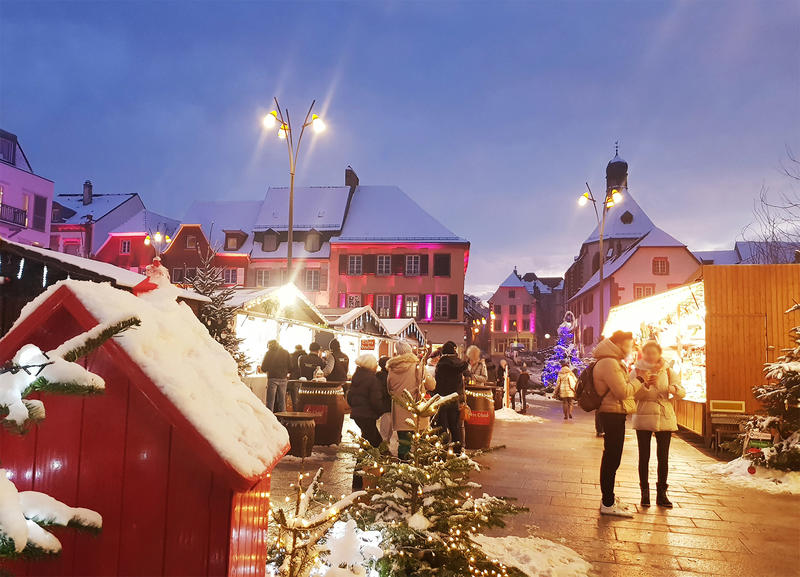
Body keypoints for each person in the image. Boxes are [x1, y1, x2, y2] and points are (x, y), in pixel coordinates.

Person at [593, 330, 644, 517]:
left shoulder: (612, 361)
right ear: (621, 344)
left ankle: (609, 498)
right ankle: (607, 502)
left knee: (613, 458)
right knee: (611, 458)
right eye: (629, 344)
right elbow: (622, 392)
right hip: (612, 412)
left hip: (615, 411)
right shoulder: (609, 362)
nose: (631, 348)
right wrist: (639, 380)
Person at [632, 341, 686, 508]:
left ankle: (662, 494)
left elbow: (682, 391)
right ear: (644, 354)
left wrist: (671, 389)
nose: (650, 356)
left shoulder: (669, 370)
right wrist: (646, 385)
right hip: (643, 414)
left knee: (663, 457)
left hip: (664, 415)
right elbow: (632, 393)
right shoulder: (637, 371)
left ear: (659, 354)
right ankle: (644, 493)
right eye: (647, 353)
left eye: (653, 353)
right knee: (644, 457)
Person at [387, 342, 428, 460]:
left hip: (399, 410)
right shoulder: (417, 366)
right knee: (420, 443)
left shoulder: (391, 368)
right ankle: (418, 468)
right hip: (415, 409)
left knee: (403, 443)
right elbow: (431, 384)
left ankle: (403, 468)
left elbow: (389, 389)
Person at [434, 341, 469, 454]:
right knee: (455, 426)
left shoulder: (441, 364)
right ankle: (458, 451)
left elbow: (438, 383)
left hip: (443, 398)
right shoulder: (459, 364)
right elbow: (461, 384)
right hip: (455, 398)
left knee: (443, 426)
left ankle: (443, 452)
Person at [347, 354, 384, 448]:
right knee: (373, 441)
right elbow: (375, 399)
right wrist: (380, 410)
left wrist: (354, 407)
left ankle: (365, 459)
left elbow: (350, 396)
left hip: (358, 413)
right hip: (368, 414)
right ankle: (365, 460)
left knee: (369, 438)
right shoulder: (372, 379)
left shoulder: (357, 376)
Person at [260, 340, 291, 413]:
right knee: (282, 401)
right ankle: (283, 418)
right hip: (283, 378)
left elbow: (263, 367)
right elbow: (290, 366)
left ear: (269, 345)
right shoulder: (286, 352)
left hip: (272, 378)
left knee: (270, 401)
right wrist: (285, 371)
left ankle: (269, 418)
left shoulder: (269, 353)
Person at [376, 356, 393, 441]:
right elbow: (385, 391)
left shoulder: (381, 375)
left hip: (386, 404)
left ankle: (385, 445)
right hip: (386, 404)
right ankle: (383, 447)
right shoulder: (383, 376)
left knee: (387, 427)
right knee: (386, 428)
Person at [288, 344, 305, 409]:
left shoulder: (292, 356)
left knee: (295, 398)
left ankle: (295, 412)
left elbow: (290, 367)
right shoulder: (306, 355)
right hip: (304, 379)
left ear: (295, 349)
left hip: (294, 378)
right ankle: (301, 411)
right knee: (302, 397)